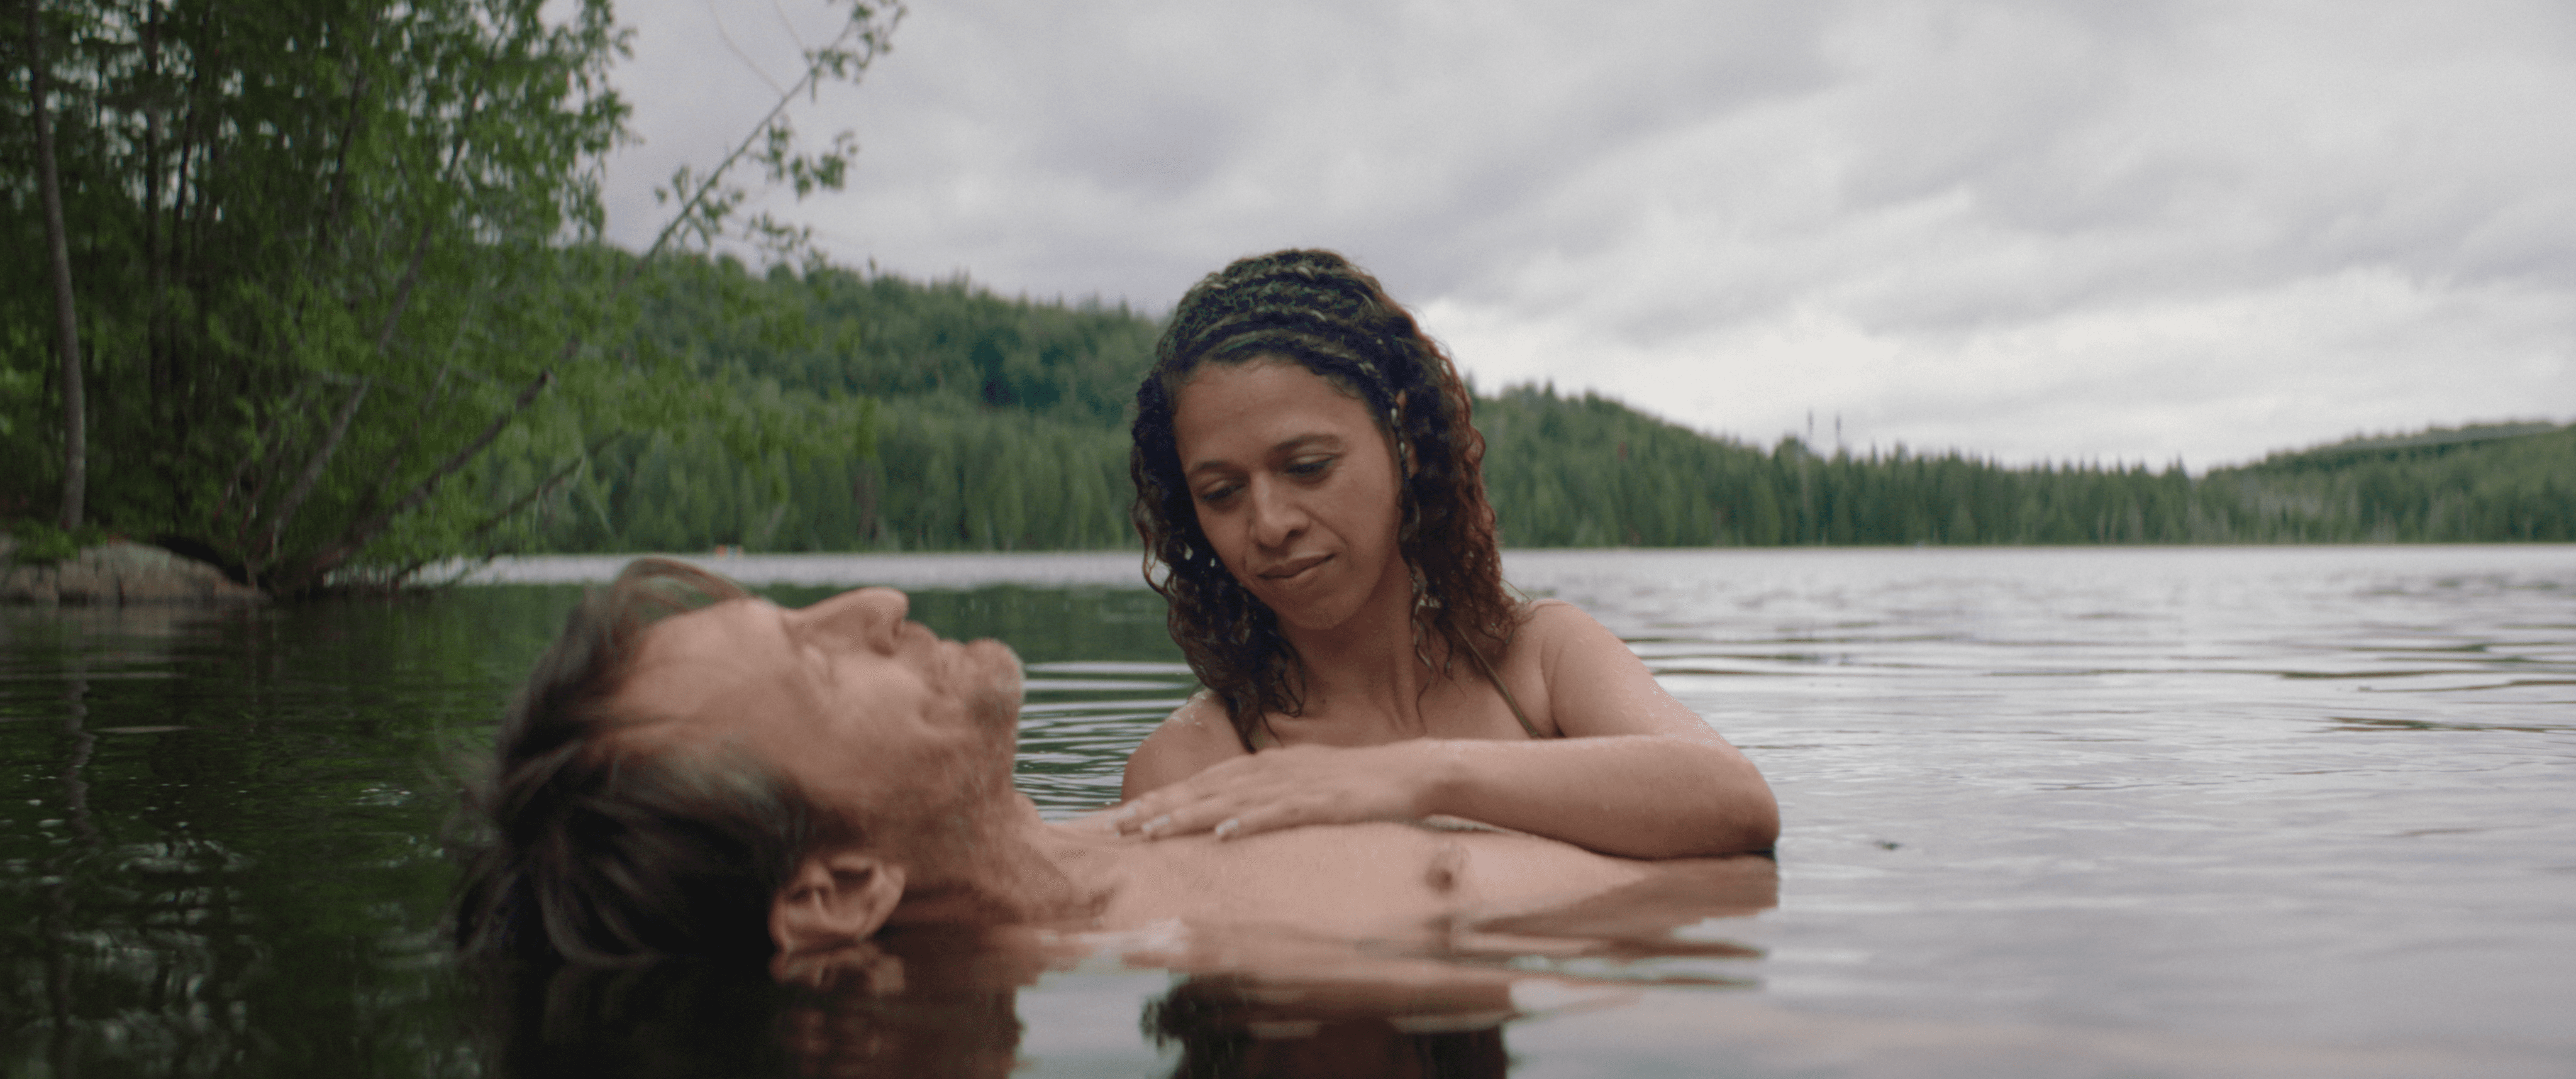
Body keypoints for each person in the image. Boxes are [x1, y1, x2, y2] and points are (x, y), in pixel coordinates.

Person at [450, 558, 1774, 968]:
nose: (875, 600)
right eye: (815, 660)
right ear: (840, 885)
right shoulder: (1180, 953)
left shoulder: (1146, 822)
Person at [1119, 249, 1778, 857]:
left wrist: (1421, 774)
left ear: (1401, 441)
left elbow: (1735, 800)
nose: (1267, 524)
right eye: (1221, 492)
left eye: (1308, 467)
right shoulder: (1197, 763)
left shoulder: (1540, 660)